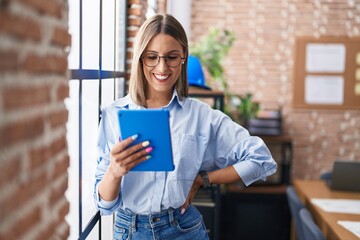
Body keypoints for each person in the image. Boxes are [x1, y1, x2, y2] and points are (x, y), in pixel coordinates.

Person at [94, 13, 277, 240]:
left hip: (184, 230)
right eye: (152, 57)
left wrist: (203, 179)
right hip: (130, 230)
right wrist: (115, 171)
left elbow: (262, 160)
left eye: (172, 57)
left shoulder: (202, 116)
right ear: (141, 59)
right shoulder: (114, 115)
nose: (162, 67)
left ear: (183, 59)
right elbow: (105, 205)